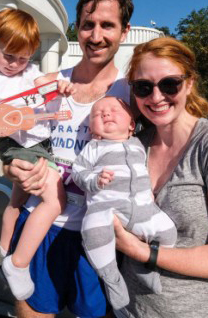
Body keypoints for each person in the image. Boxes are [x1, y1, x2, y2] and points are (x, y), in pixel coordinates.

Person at [3, 0, 134, 317]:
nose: (96, 35)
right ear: (77, 28)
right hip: (40, 226)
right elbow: (9, 132)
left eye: (108, 25)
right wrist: (11, 167)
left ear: (125, 31)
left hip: (98, 238)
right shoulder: (47, 83)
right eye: (88, 25)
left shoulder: (134, 95)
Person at [113, 37, 208, 317]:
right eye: (144, 87)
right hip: (132, 310)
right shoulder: (134, 145)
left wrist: (143, 252)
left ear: (190, 83)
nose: (156, 97)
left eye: (170, 84)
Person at [0, 8, 73, 300]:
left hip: (41, 142)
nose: (14, 64)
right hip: (16, 145)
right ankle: (18, 262)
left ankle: (0, 249)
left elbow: (43, 86)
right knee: (55, 200)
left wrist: (58, 86)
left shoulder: (30, 72)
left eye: (23, 58)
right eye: (8, 56)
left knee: (16, 201)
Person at [71, 96, 177, 310]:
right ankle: (112, 280)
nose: (106, 114)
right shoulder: (94, 147)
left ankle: (145, 268)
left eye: (113, 110)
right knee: (93, 232)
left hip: (142, 207)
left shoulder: (138, 143)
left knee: (168, 232)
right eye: (98, 114)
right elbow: (78, 173)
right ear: (92, 129)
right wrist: (95, 180)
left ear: (131, 124)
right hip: (106, 208)